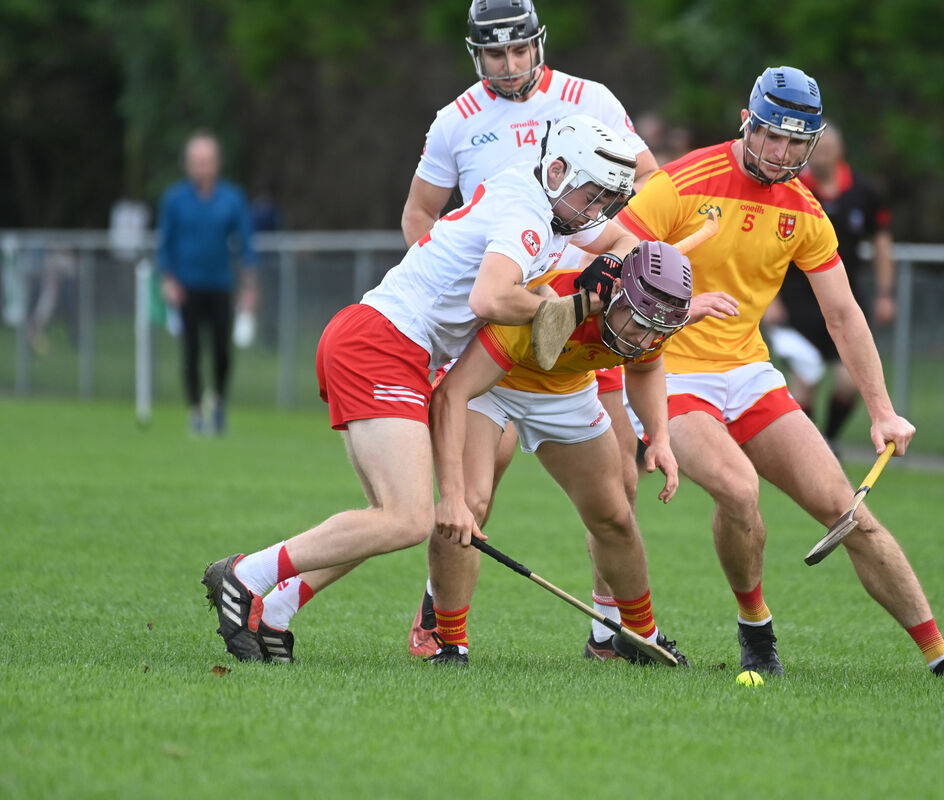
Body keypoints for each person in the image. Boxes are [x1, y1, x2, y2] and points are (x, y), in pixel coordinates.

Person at [202, 114, 643, 663]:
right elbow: (489, 299)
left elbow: (625, 237)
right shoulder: (526, 212)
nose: (597, 208)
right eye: (593, 193)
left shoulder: (552, 204)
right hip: (382, 343)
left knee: (382, 516)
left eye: (608, 198)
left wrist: (608, 264)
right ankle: (245, 576)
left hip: (386, 343)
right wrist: (570, 306)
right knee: (407, 519)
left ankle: (278, 610)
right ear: (557, 170)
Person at [611, 65, 944, 682]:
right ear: (747, 121)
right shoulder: (681, 182)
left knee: (848, 511)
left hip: (749, 372)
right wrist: (680, 305)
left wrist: (881, 410)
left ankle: (940, 654)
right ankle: (756, 629)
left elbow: (844, 314)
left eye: (798, 142)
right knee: (740, 490)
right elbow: (610, 262)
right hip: (671, 375)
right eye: (771, 136)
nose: (782, 152)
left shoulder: (804, 209)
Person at [398, 0, 661, 659]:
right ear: (476, 53)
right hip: (495, 330)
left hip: (583, 328)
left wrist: (629, 268)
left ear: (539, 43)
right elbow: (419, 215)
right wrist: (458, 295)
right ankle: (441, 629)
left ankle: (614, 633)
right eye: (495, 53)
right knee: (472, 498)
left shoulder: (588, 98)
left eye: (520, 50)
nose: (510, 65)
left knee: (617, 496)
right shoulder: (455, 122)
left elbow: (649, 183)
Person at [423, 242, 727, 665]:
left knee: (615, 518)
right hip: (493, 384)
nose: (644, 339)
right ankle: (450, 643)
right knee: (469, 505)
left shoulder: (651, 318)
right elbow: (453, 392)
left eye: (656, 332)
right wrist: (450, 493)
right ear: (618, 294)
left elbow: (646, 368)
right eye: (639, 325)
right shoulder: (551, 301)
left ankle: (641, 637)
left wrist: (659, 436)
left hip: (566, 391)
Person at [769, 121, 895, 452]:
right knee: (807, 380)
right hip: (798, 302)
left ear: (840, 152)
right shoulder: (793, 189)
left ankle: (829, 438)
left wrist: (885, 292)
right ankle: (810, 447)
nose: (820, 156)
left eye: (827, 150)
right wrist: (772, 300)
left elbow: (882, 242)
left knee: (849, 382)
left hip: (842, 299)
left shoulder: (863, 192)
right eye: (816, 149)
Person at [157, 131, 258, 435]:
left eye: (207, 160)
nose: (202, 166)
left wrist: (250, 287)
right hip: (186, 287)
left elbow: (246, 246)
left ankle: (218, 402)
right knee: (191, 350)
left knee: (221, 351)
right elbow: (165, 245)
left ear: (216, 163)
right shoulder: (174, 200)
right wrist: (168, 280)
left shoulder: (231, 199)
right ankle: (195, 411)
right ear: (188, 164)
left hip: (220, 285)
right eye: (197, 161)